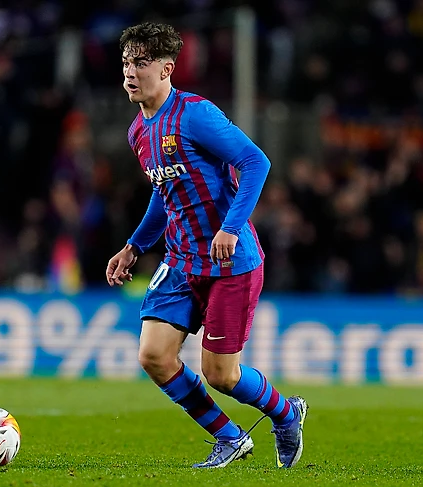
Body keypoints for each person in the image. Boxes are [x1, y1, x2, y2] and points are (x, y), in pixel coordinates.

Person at [106, 22, 308, 469]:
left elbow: (256, 162)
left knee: (221, 375)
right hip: (181, 261)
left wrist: (231, 228)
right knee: (154, 356)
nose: (130, 72)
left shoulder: (195, 114)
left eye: (141, 63)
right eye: (126, 63)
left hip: (230, 261)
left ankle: (285, 413)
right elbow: (165, 194)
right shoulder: (138, 131)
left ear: (167, 69)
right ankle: (230, 437)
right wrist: (134, 246)